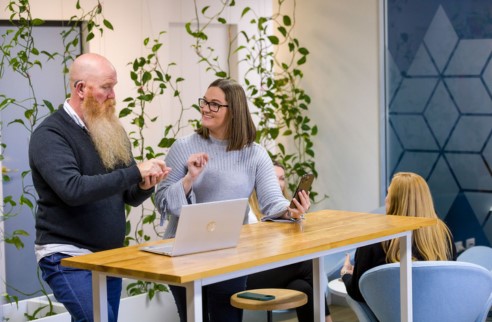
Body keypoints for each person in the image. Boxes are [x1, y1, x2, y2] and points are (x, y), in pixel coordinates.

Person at [28, 53, 171, 322]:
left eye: (113, 86)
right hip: (66, 255)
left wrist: (144, 184)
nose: (113, 95)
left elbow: (129, 195)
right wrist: (134, 171)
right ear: (81, 88)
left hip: (108, 254)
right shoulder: (50, 134)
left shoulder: (111, 129)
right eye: (106, 87)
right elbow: (73, 190)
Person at [154, 78, 310, 322]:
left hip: (232, 255)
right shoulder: (183, 147)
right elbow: (162, 201)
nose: (205, 108)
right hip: (184, 256)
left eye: (215, 104)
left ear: (234, 111)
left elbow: (272, 203)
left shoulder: (255, 153)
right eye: (204, 101)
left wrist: (292, 211)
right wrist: (188, 179)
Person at [340, 172, 457, 303]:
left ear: (395, 202)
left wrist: (346, 275)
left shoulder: (373, 239)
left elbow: (359, 292)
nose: (385, 199)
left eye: (388, 194)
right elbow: (449, 280)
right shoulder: (442, 234)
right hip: (437, 312)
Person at [247, 161, 333, 322]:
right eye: (273, 179)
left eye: (281, 178)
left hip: (277, 273)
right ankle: (328, 320)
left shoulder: (285, 209)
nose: (278, 184)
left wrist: (295, 217)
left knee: (303, 288)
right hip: (250, 273)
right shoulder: (249, 211)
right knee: (308, 264)